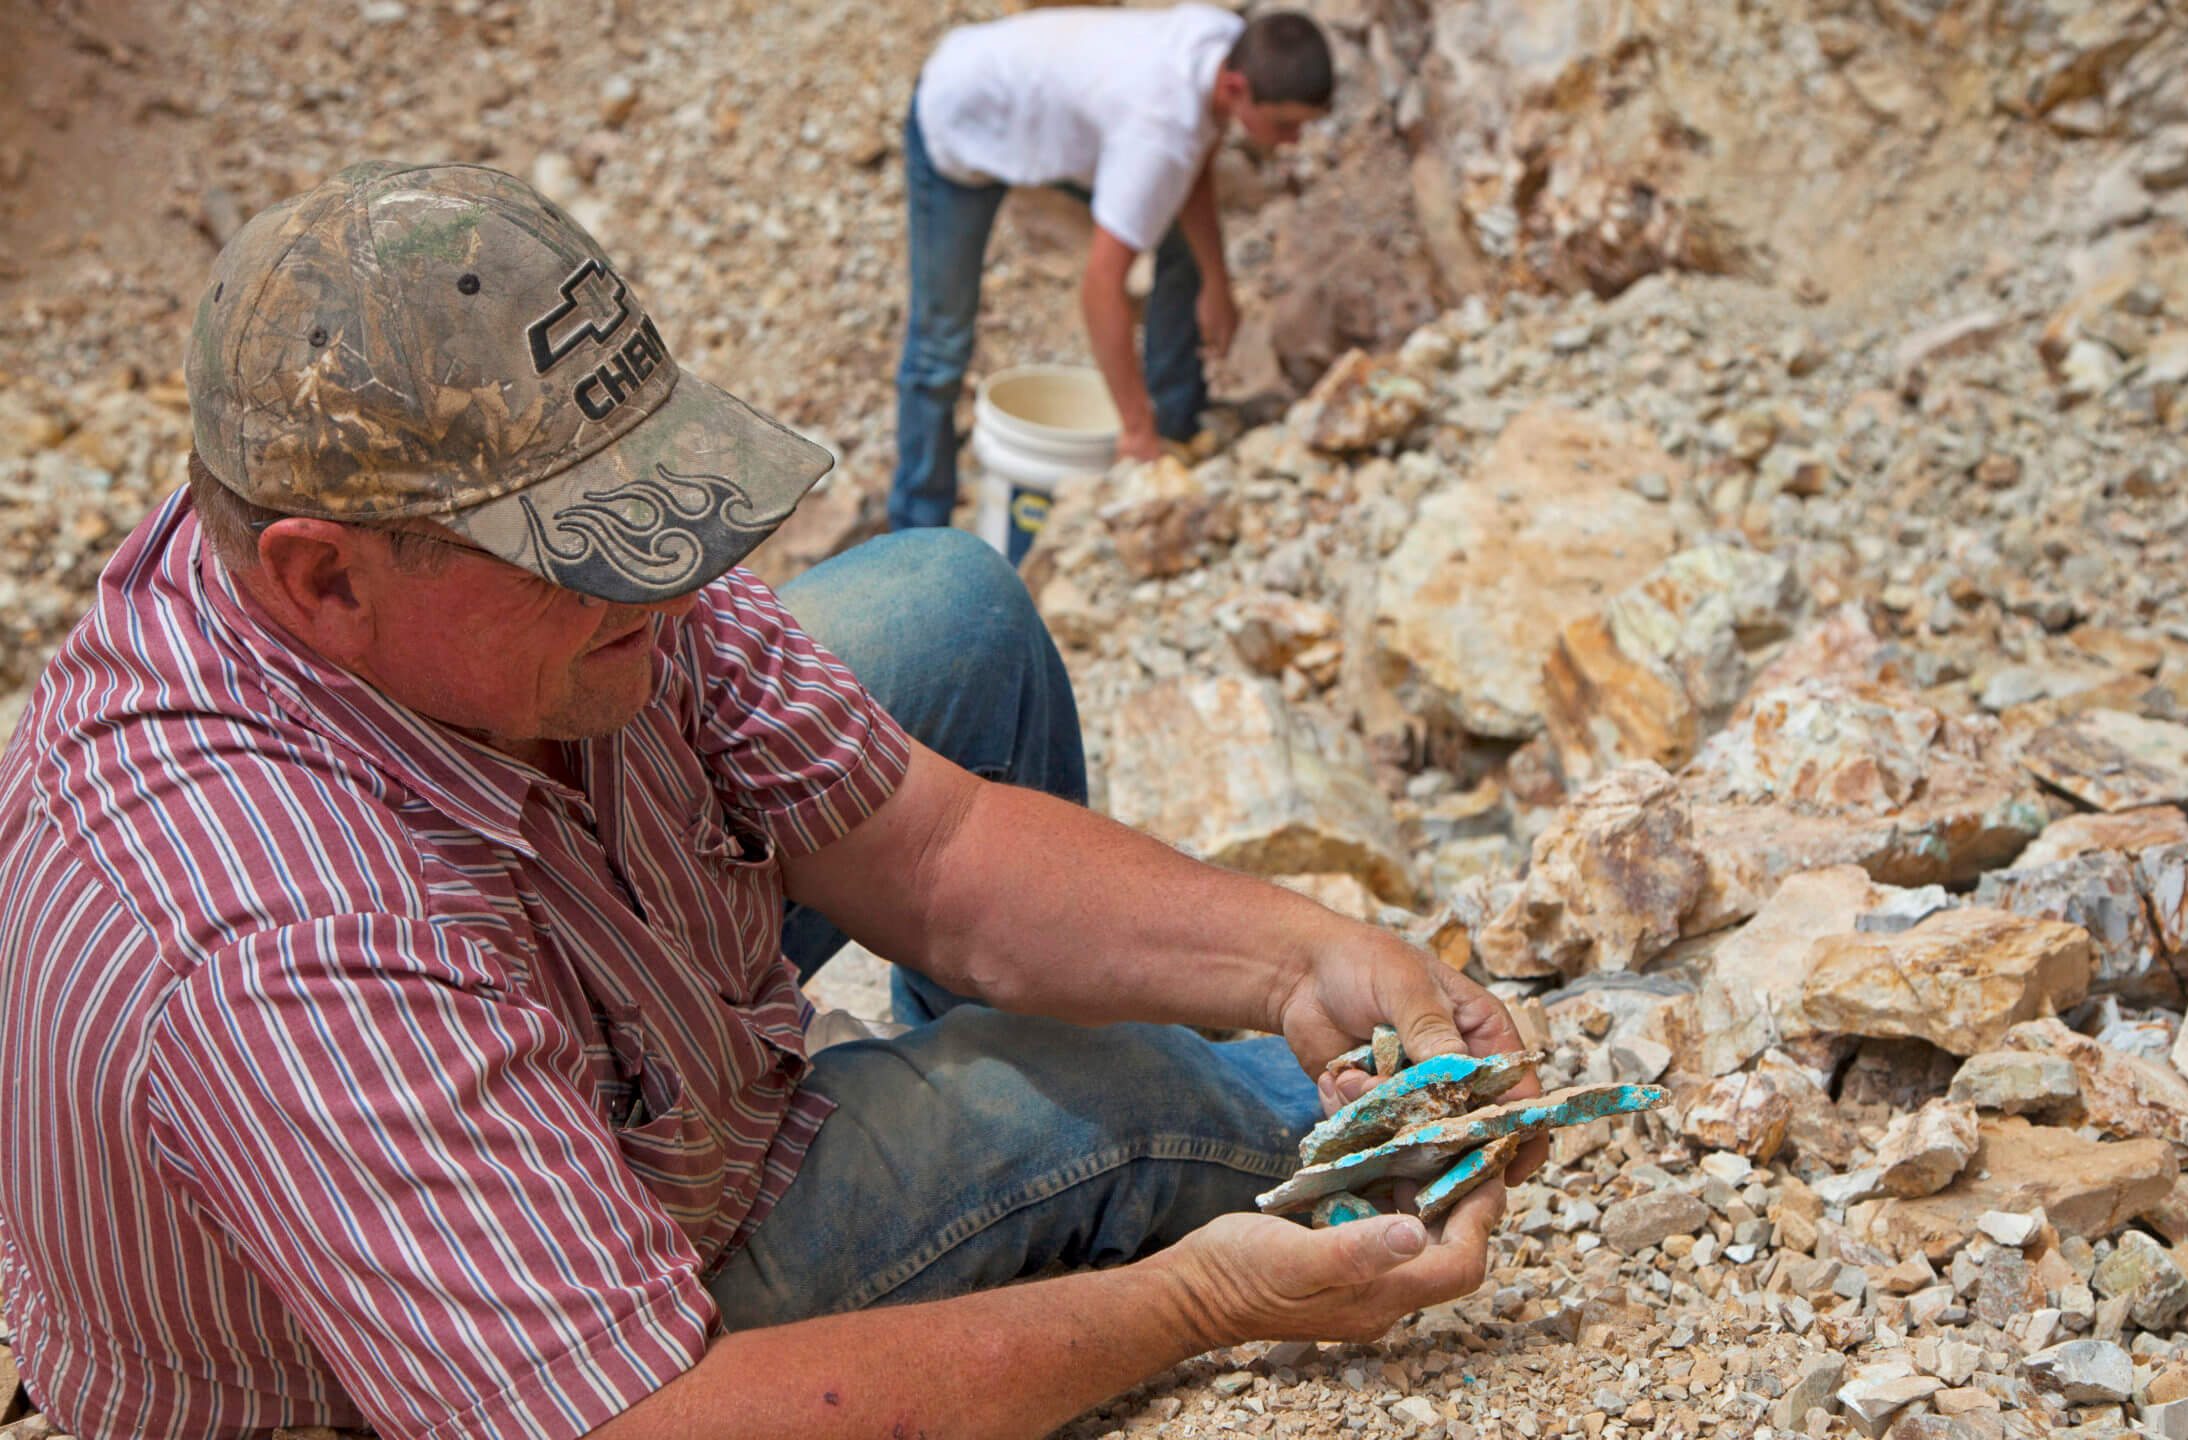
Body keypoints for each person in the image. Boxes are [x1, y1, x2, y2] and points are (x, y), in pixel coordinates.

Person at [0, 162, 1535, 1440]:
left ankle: (992, 1186)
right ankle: (1098, 1191)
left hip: (550, 997)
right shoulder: (283, 941)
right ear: (323, 576)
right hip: (466, 1377)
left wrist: (1293, 953)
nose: (667, 585)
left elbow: (931, 847)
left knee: (952, 612)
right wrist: (1193, 1298)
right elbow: (638, 1427)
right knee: (1132, 1101)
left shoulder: (399, 502)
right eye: (587, 555)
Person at [889, 6, 1331, 533]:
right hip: (959, 119)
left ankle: (1178, 424)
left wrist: (1217, 282)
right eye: (1284, 124)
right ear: (1235, 87)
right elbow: (1100, 289)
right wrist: (1133, 430)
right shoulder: (1158, 131)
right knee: (941, 345)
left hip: (1033, 108)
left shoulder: (1222, 42)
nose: (1293, 142)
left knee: (1177, 239)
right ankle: (915, 527)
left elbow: (1195, 166)